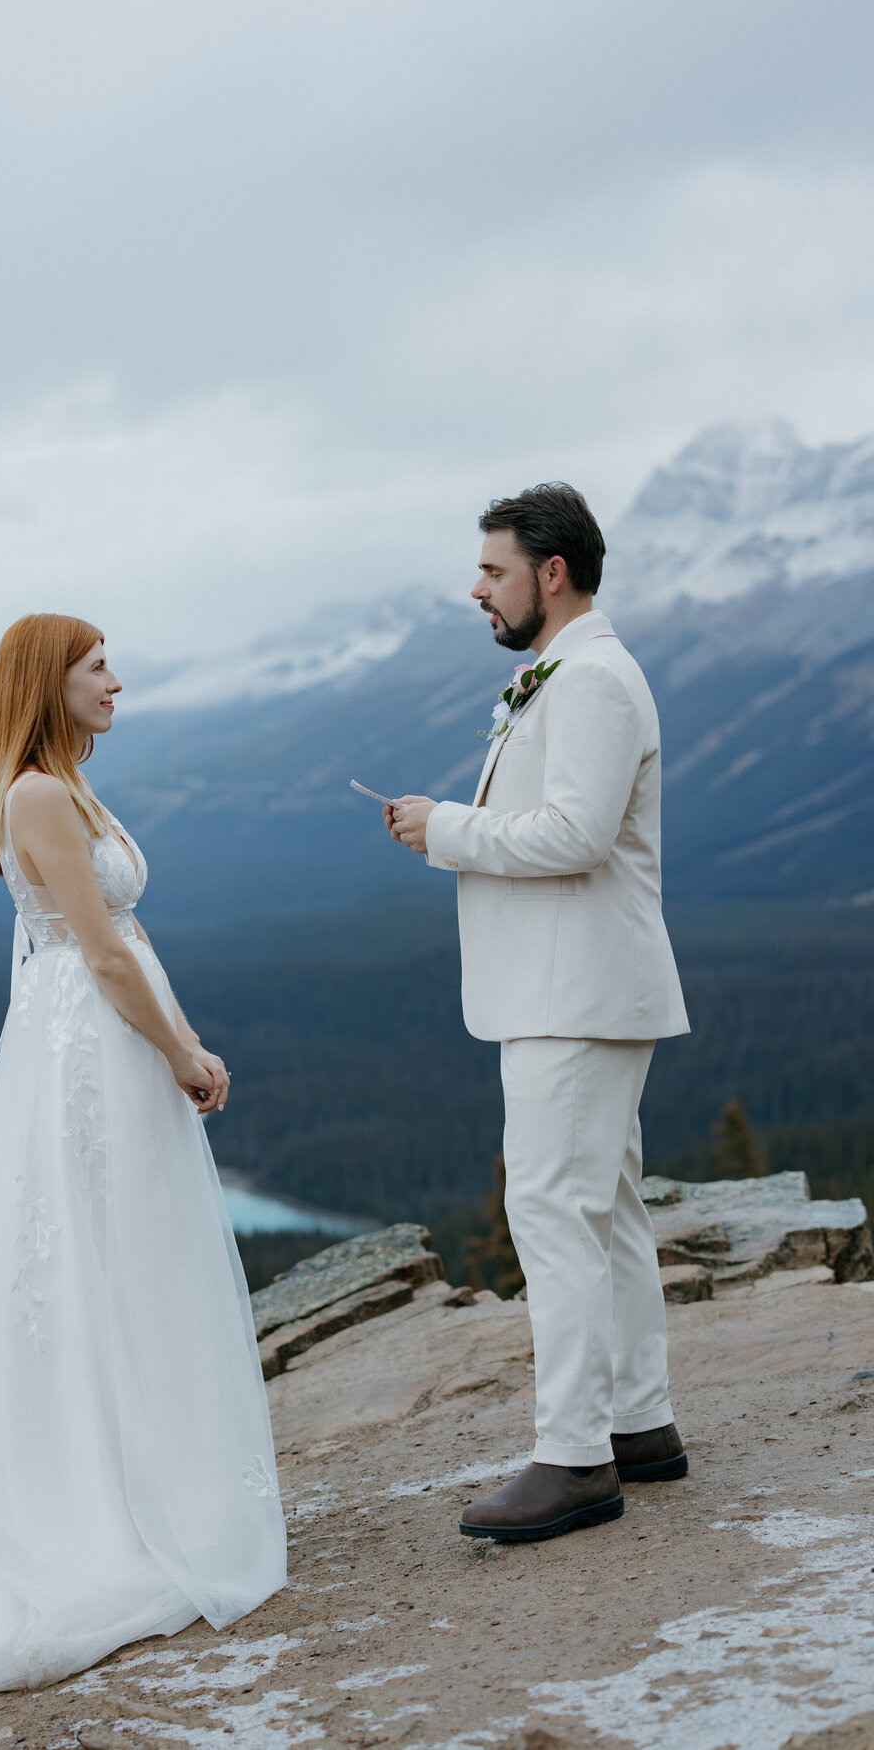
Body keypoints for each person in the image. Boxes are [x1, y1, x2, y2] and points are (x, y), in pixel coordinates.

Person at [0, 614, 285, 1703]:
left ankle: (162, 1486)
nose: (117, 680)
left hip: (110, 1041)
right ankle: (114, 1513)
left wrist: (170, 1042)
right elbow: (99, 949)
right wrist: (183, 1046)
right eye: (97, 665)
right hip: (93, 1049)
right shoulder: (39, 796)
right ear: (46, 683)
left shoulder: (69, 787)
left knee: (139, 1255)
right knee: (106, 1258)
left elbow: (115, 944)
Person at [385, 484, 690, 1544]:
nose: (478, 588)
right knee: (603, 1208)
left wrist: (448, 827)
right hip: (578, 988)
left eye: (493, 570)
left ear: (550, 574)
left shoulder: (594, 678)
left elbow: (576, 835)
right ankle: (640, 1424)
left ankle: (573, 1456)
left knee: (554, 1213)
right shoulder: (565, 673)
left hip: (577, 993)